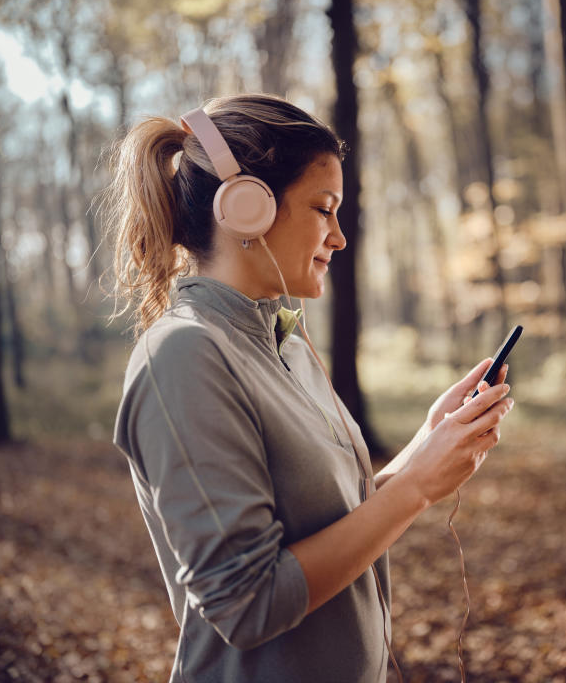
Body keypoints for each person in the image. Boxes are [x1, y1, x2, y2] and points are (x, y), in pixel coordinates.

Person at [105, 93, 514, 682]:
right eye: (324, 209)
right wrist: (418, 489)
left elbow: (334, 520)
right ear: (246, 207)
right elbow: (246, 604)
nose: (340, 237)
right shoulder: (183, 354)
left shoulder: (286, 346)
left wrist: (426, 446)